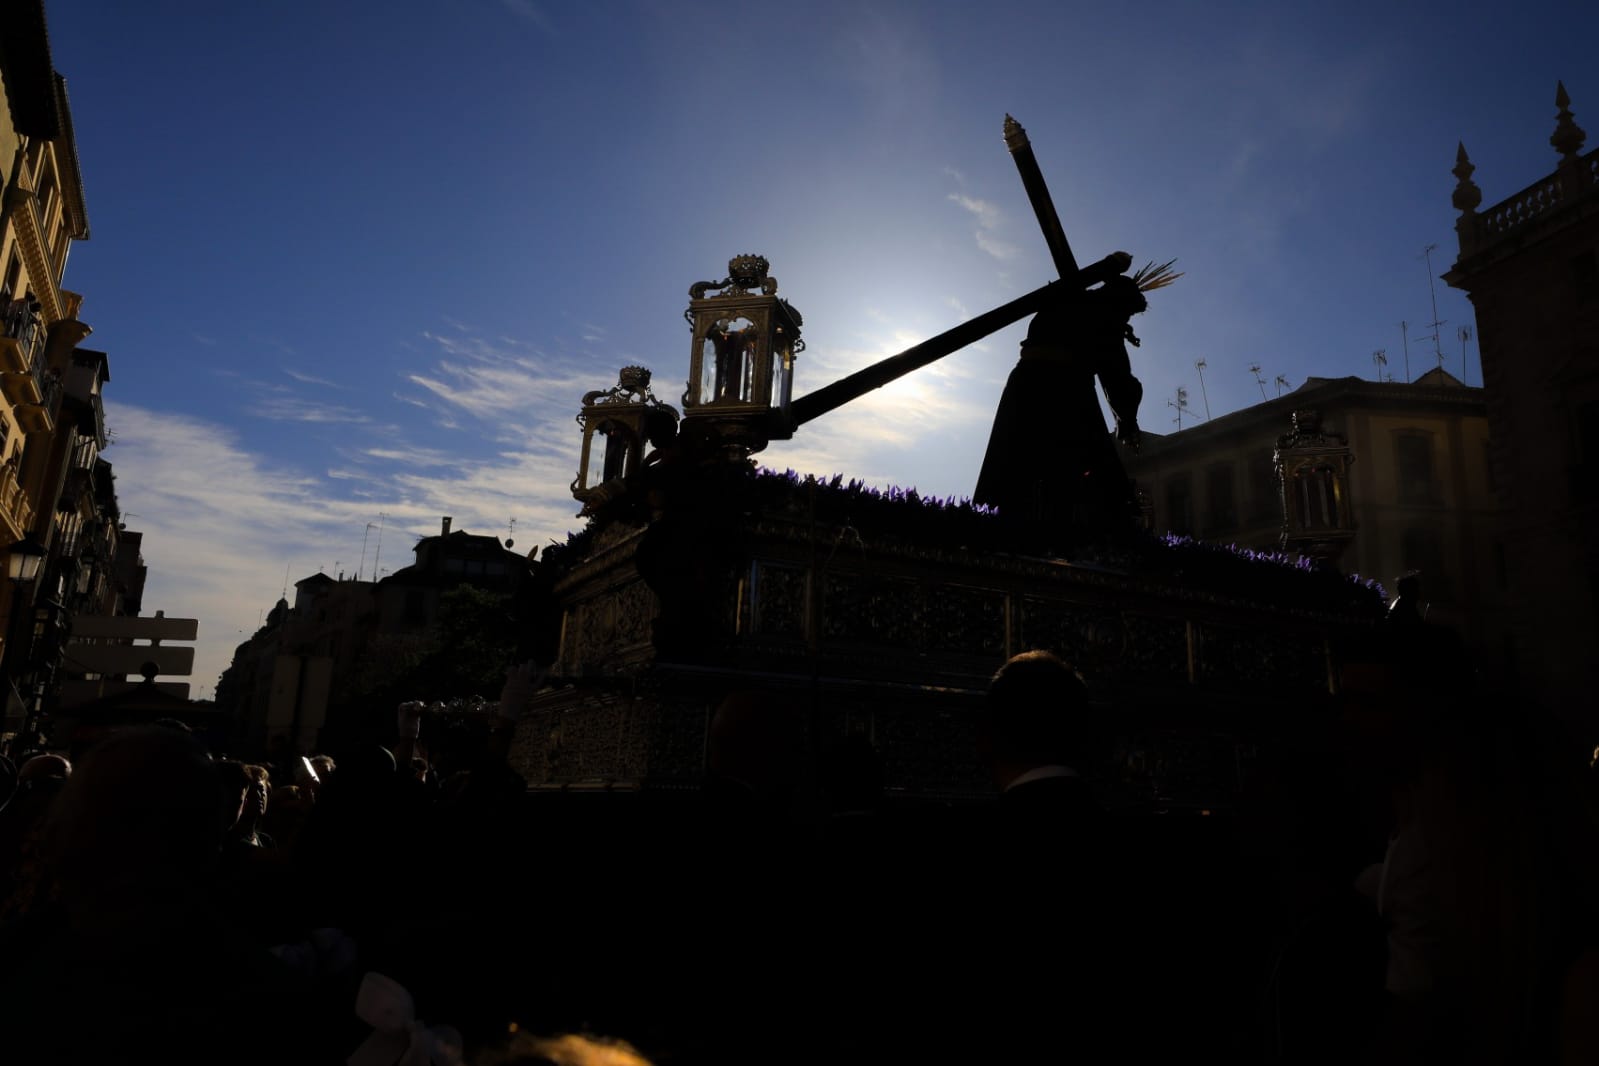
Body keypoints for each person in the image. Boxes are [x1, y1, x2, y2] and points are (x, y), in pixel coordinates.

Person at [974, 261, 1176, 550]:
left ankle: (1000, 532)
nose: (1127, 318)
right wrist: (1127, 423)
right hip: (1068, 392)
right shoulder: (1103, 317)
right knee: (1084, 479)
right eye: (1129, 312)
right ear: (1120, 303)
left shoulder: (1064, 298)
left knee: (1012, 465)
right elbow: (1116, 375)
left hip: (1025, 386)